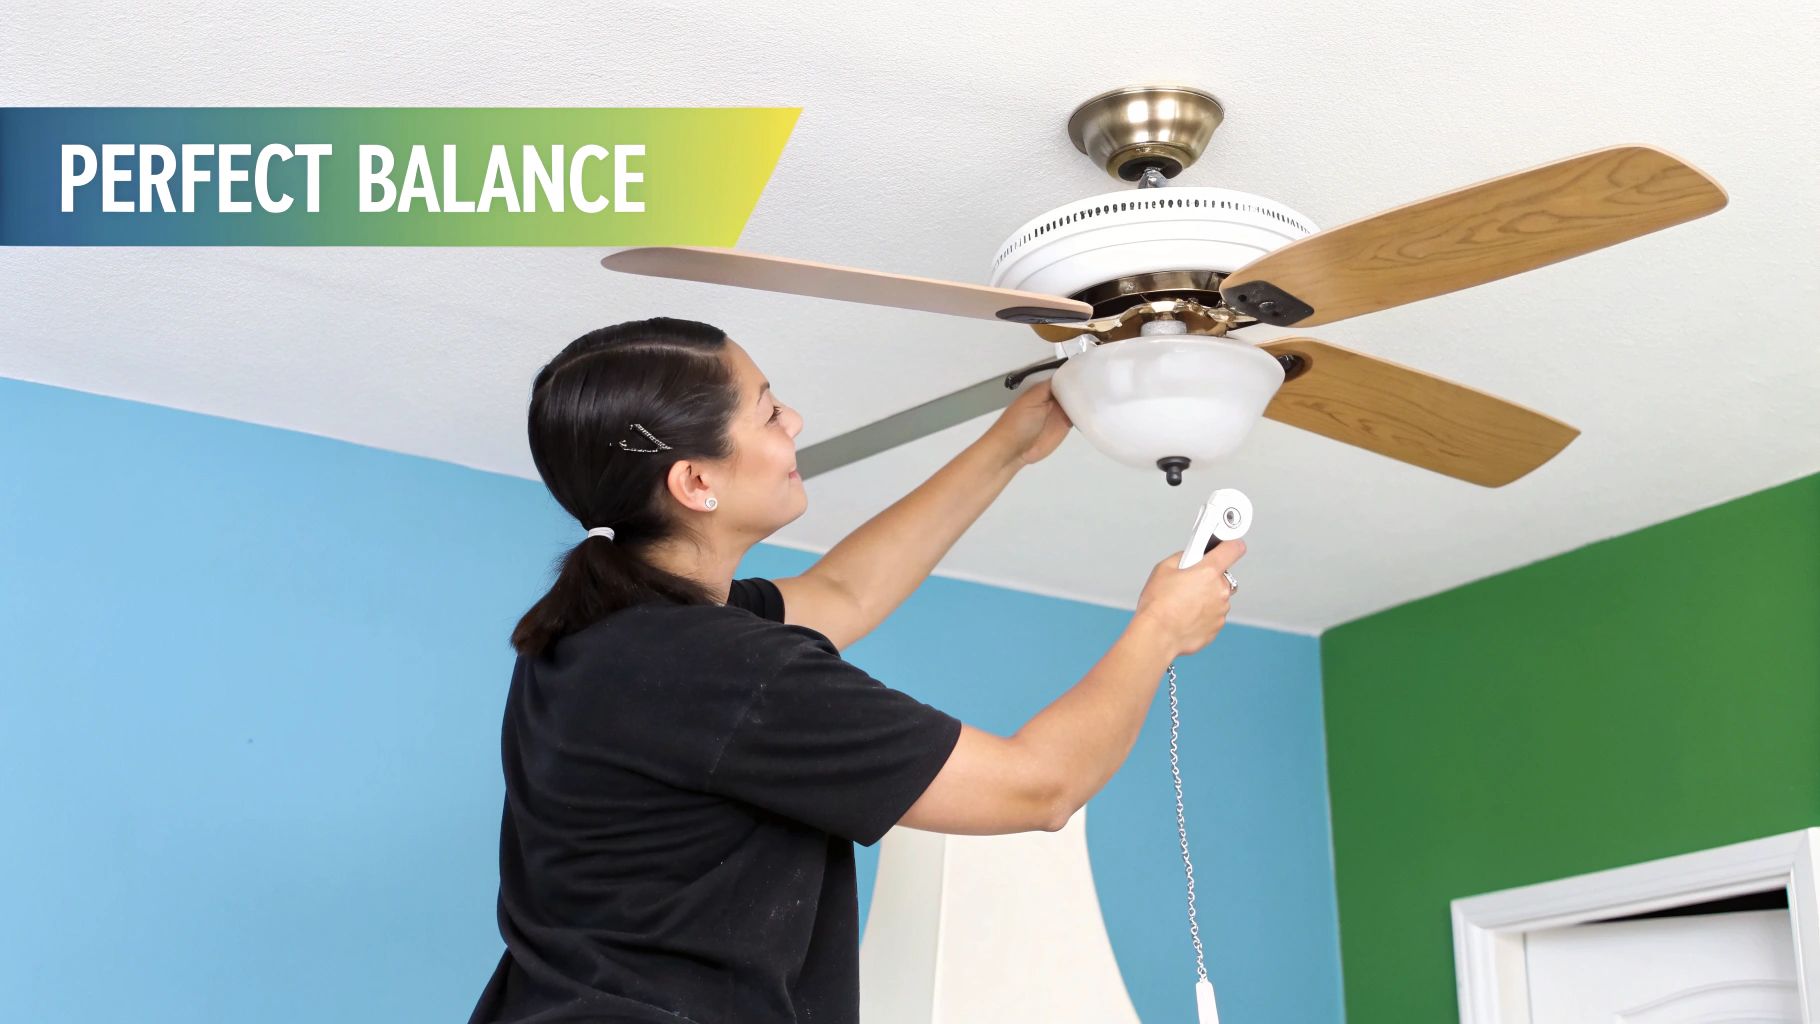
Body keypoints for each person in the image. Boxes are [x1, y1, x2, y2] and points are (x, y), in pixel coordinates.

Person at [468, 316, 1245, 1024]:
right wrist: (1159, 629)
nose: (796, 421)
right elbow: (1040, 788)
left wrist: (1009, 447)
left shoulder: (599, 635)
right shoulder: (722, 668)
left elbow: (845, 592)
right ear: (696, 482)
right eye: (769, 412)